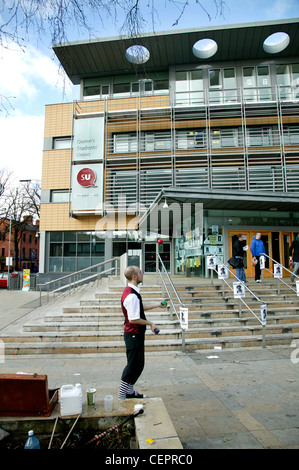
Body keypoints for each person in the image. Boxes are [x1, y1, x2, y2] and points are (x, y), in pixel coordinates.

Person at [118, 265, 167, 400]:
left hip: (134, 334)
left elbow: (139, 308)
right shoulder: (131, 296)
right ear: (134, 276)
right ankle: (122, 396)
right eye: (140, 272)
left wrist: (157, 305)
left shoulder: (131, 292)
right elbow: (134, 318)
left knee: (138, 364)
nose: (142, 274)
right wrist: (150, 323)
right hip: (133, 334)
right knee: (134, 365)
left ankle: (129, 391)